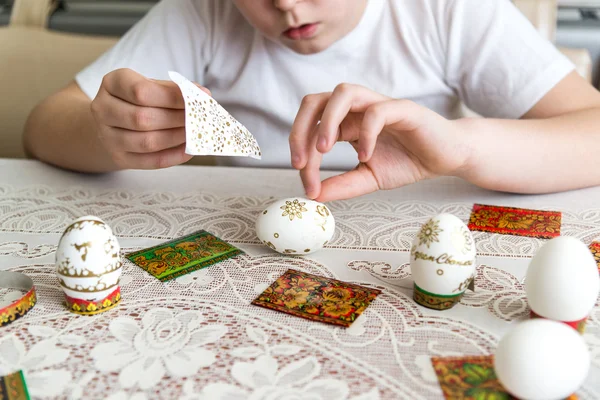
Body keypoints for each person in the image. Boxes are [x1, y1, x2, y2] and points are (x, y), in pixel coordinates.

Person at [23, 0, 600, 203]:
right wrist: (110, 134)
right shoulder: (200, 10)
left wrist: (461, 148)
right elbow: (44, 127)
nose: (288, 6)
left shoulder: (447, 10)